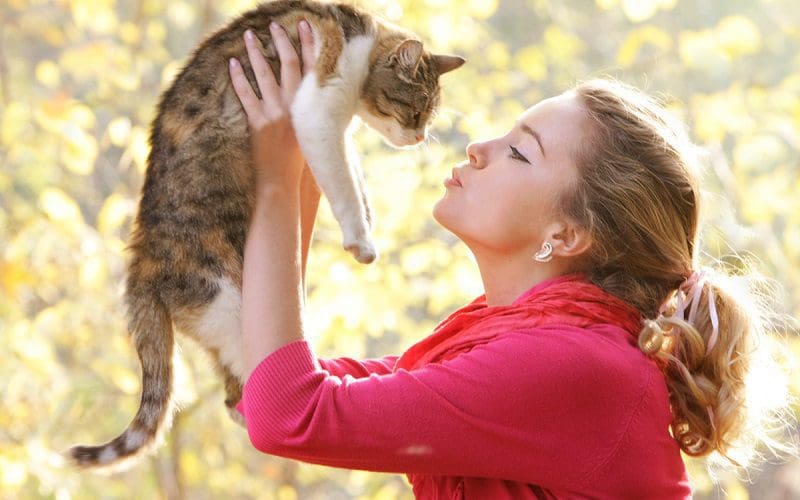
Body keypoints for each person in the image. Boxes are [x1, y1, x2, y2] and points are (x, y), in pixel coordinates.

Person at [227, 21, 795, 499]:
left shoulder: (577, 366)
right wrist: (304, 167)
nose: (479, 148)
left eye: (520, 152)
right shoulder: (513, 341)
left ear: (567, 233)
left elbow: (290, 415)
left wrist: (277, 180)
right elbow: (269, 395)